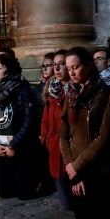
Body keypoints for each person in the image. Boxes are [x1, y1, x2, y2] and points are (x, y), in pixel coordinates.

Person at [59, 46, 110, 219]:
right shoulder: (70, 96)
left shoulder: (109, 94)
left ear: (89, 66)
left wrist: (78, 166)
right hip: (76, 168)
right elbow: (63, 135)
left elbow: (105, 137)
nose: (71, 72)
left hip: (99, 168)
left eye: (76, 67)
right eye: (68, 67)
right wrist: (72, 168)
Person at [0, 54, 40, 200]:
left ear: (10, 71)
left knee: (23, 194)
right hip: (0, 148)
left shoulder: (23, 91)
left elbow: (29, 122)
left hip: (20, 147)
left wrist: (14, 145)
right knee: (4, 192)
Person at [41, 49, 73, 210]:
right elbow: (45, 120)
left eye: (61, 64)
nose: (57, 69)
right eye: (55, 65)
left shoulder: (76, 92)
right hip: (54, 147)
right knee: (66, 203)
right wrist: (45, 139)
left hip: (73, 150)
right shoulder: (51, 93)